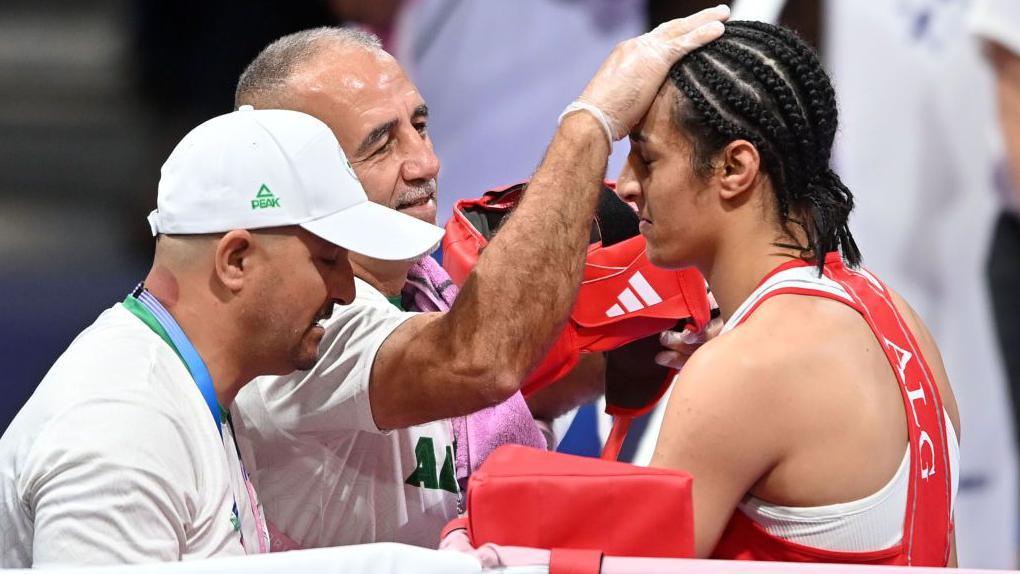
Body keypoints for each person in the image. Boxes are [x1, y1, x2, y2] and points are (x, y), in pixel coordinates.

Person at [230, 8, 729, 550]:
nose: (425, 162)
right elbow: (479, 364)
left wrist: (645, 347)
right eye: (380, 143)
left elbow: (508, 402)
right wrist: (591, 123)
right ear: (300, 178)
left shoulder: (427, 288)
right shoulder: (295, 324)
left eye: (418, 125)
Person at [0, 107, 443, 566]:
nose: (347, 291)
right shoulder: (125, 425)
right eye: (330, 259)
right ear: (235, 261)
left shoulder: (182, 387)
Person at [617, 21, 960, 564]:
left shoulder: (744, 370)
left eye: (647, 157)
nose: (625, 185)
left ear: (734, 168)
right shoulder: (895, 315)